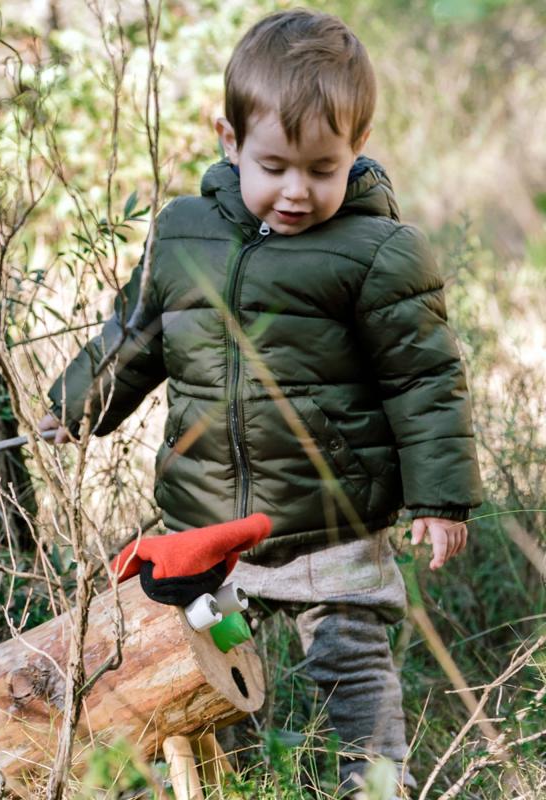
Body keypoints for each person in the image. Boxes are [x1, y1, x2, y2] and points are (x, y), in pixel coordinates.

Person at [39, 8, 482, 797]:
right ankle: (240, 781)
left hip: (330, 521)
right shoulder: (182, 234)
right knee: (213, 663)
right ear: (229, 140)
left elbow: (424, 380)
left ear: (358, 148)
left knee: (349, 662)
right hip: (210, 522)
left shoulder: (378, 252)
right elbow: (137, 335)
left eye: (322, 168)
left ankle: (372, 782)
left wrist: (441, 497)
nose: (296, 191)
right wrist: (78, 404)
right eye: (275, 165)